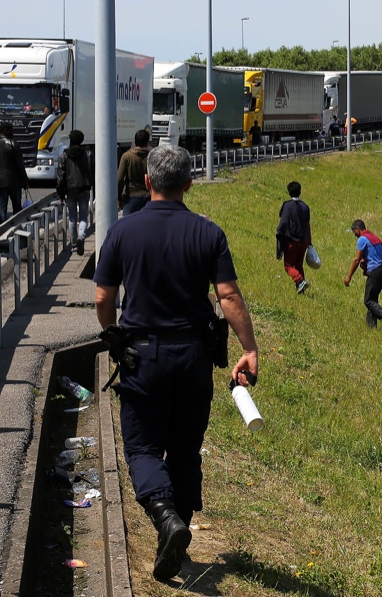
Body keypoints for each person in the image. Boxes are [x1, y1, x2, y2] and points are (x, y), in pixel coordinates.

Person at [93, 144, 259, 581]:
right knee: (185, 447)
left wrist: (113, 332)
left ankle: (166, 518)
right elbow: (228, 296)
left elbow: (103, 297)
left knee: (143, 447)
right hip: (193, 357)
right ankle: (177, 528)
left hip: (142, 357)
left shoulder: (122, 232)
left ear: (147, 181)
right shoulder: (208, 233)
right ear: (188, 183)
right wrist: (249, 348)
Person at [345, 220, 382, 330]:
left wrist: (349, 276)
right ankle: (371, 327)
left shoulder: (362, 239)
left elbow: (356, 259)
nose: (354, 235)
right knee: (373, 299)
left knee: (368, 301)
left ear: (357, 229)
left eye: (354, 232)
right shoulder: (374, 238)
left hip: (375, 272)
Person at [56, 129, 94, 255]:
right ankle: (81, 237)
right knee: (83, 216)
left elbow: (61, 176)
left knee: (72, 217)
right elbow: (92, 171)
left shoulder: (64, 156)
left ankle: (73, 245)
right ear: (81, 140)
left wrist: (61, 193)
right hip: (84, 188)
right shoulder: (88, 153)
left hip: (70, 190)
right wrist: (91, 185)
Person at [0, 122, 29, 223]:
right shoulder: (14, 144)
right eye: (11, 130)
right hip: (14, 182)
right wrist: (25, 181)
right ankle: (17, 227)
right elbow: (20, 165)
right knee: (17, 209)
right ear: (6, 131)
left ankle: (3, 229)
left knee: (1, 209)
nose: (13, 132)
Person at [276, 181, 312, 294]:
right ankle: (301, 289)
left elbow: (283, 222)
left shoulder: (287, 206)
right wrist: (309, 241)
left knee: (288, 266)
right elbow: (307, 225)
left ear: (289, 192)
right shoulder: (305, 207)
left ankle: (300, 281)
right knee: (299, 265)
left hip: (292, 241)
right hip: (304, 241)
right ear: (300, 191)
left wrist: (279, 234)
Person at [118, 129, 151, 216]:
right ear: (147, 142)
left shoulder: (127, 156)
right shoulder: (152, 156)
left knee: (128, 223)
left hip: (131, 197)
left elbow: (120, 179)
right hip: (149, 198)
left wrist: (119, 197)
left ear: (135, 141)